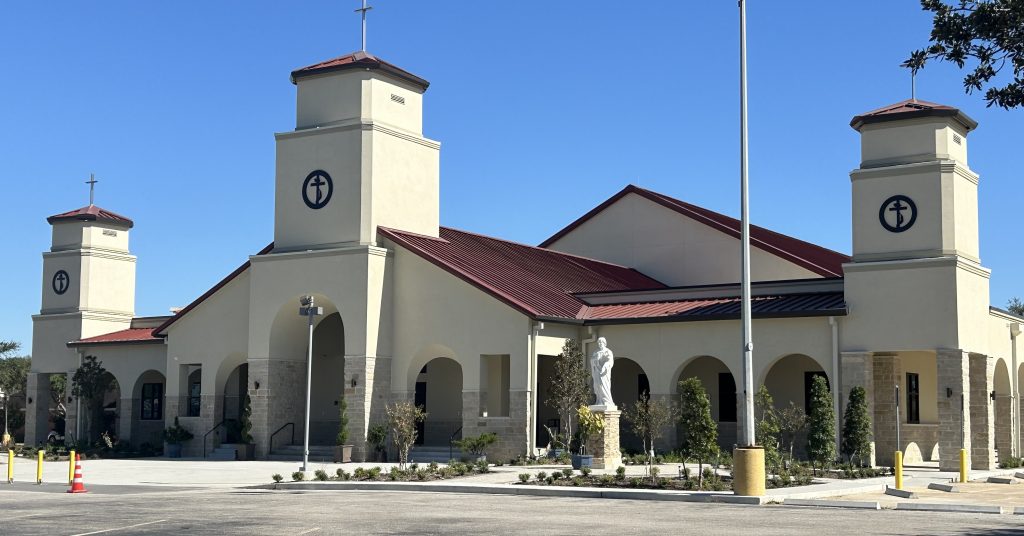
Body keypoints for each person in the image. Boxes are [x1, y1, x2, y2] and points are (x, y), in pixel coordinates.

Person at [590, 337, 615, 408]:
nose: (600, 344)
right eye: (599, 342)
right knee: (597, 386)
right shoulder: (596, 352)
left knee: (604, 385)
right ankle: (599, 400)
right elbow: (592, 360)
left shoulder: (608, 351)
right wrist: (594, 360)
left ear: (604, 343)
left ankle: (606, 400)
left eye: (601, 342)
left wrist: (605, 365)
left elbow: (610, 361)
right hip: (597, 372)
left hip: (604, 373)